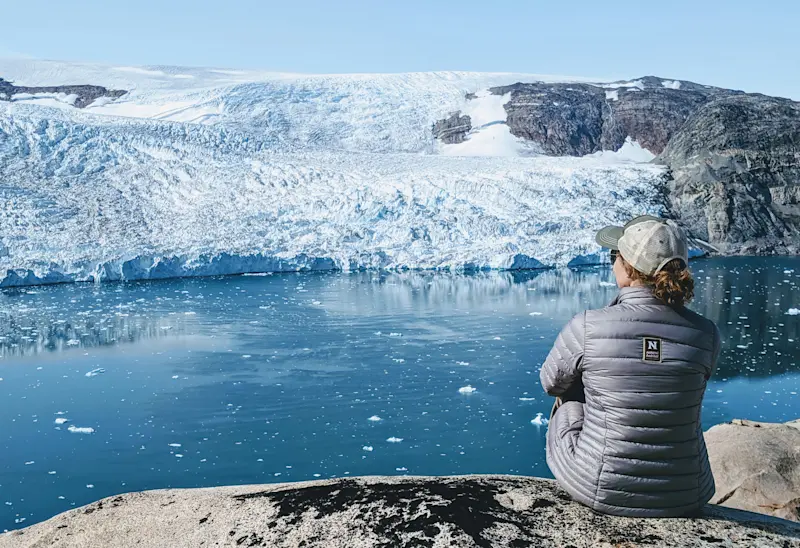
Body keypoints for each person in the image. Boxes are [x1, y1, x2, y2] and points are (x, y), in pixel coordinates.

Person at [540, 215, 720, 517]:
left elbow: (550, 383)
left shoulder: (588, 326)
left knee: (568, 393)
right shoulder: (706, 333)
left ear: (628, 269)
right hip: (687, 494)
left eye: (615, 256)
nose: (612, 263)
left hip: (602, 487)